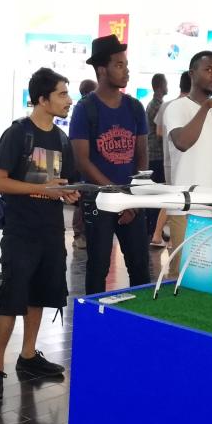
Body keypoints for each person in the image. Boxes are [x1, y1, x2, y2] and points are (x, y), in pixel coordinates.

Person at [0, 68, 78, 402]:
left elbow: (62, 184)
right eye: (62, 94)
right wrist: (43, 189)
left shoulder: (62, 140)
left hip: (51, 231)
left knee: (39, 294)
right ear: (42, 99)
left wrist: (69, 193)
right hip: (20, 231)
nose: (69, 100)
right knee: (11, 299)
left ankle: (28, 355)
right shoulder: (18, 134)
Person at [69, 35, 151, 295]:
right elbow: (82, 160)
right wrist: (117, 196)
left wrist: (133, 197)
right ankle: (95, 317)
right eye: (119, 65)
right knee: (98, 267)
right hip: (99, 201)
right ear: (102, 70)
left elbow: (142, 155)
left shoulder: (135, 107)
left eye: (126, 64)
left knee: (140, 266)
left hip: (132, 201)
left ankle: (141, 316)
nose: (126, 70)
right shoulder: (85, 109)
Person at [162, 52, 212, 276]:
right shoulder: (177, 107)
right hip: (185, 207)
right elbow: (182, 142)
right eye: (209, 70)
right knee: (181, 276)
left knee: (204, 277)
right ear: (192, 74)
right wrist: (205, 107)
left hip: (210, 207)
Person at [149, 70, 190, 248]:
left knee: (172, 198)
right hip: (183, 162)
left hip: (168, 160)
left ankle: (162, 236)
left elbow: (159, 131)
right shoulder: (191, 107)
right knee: (177, 200)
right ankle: (166, 237)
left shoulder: (166, 105)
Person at [70, 79, 98, 250]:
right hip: (82, 165)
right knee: (81, 200)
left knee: (84, 200)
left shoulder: (86, 108)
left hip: (86, 163)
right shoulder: (83, 109)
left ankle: (83, 234)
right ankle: (79, 235)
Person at [144, 73, 168, 240]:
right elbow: (161, 132)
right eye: (165, 84)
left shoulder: (152, 104)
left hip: (152, 154)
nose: (167, 87)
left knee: (153, 194)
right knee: (157, 195)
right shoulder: (158, 106)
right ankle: (153, 229)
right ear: (160, 86)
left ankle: (152, 228)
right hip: (157, 155)